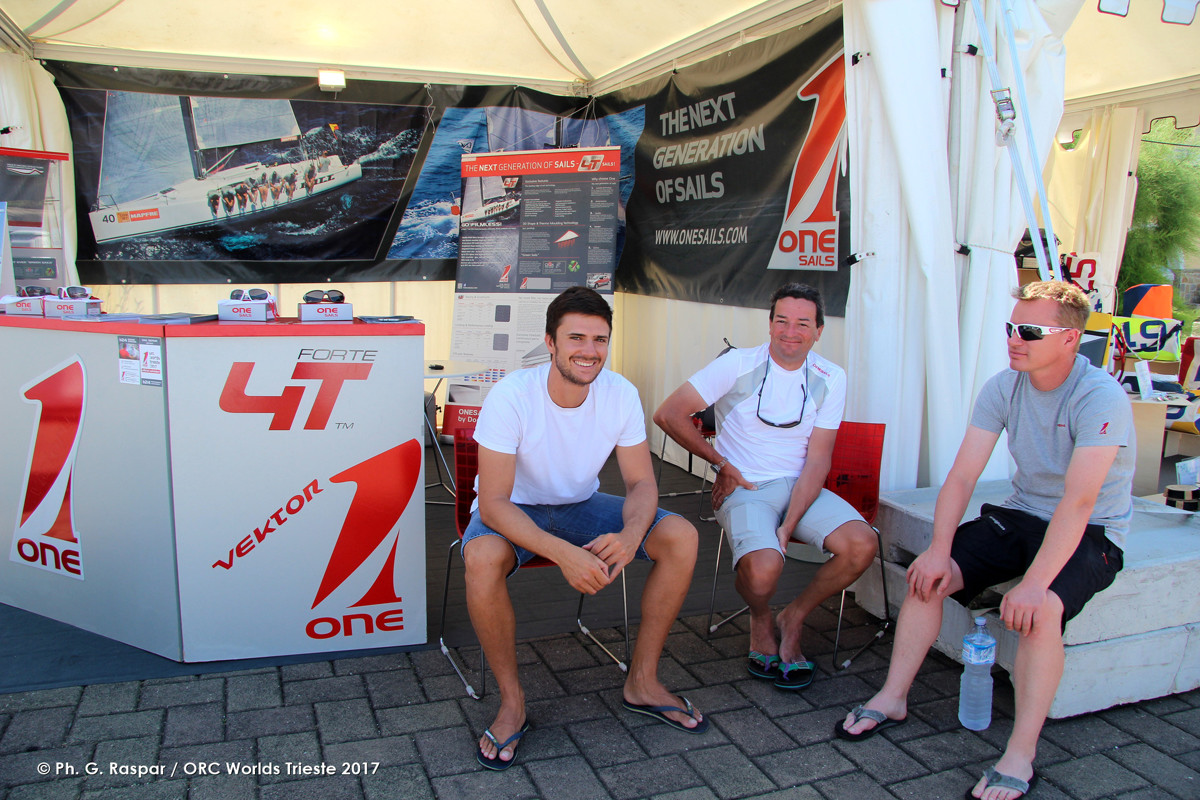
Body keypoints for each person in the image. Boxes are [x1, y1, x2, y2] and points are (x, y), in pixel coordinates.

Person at [837, 281, 1133, 800]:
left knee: (1041, 612)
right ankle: (893, 697)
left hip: (1092, 529)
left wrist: (1035, 584)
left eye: (1030, 331)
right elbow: (961, 476)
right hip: (1021, 514)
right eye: (1011, 327)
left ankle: (1021, 752)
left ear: (1070, 339)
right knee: (928, 578)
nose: (1014, 339)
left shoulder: (1099, 395)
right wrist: (938, 550)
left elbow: (1079, 503)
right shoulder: (1004, 386)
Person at [464, 285, 705, 772]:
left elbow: (641, 483)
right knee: (483, 557)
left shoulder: (620, 393)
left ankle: (642, 682)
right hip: (517, 509)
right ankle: (512, 703)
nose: (589, 351)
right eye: (576, 337)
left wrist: (632, 535)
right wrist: (564, 554)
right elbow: (492, 504)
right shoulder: (512, 395)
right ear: (550, 342)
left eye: (600, 339)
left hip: (580, 506)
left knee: (681, 536)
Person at [653, 283, 877, 691]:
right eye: (782, 321)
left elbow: (818, 460)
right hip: (746, 487)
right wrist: (721, 464)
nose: (790, 332)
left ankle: (794, 617)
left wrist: (789, 526)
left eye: (802, 324)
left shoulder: (831, 377)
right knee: (762, 573)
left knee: (862, 545)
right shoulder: (737, 364)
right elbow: (668, 413)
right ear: (769, 324)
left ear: (819, 331)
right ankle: (761, 617)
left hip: (801, 487)